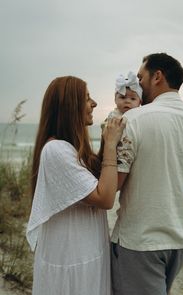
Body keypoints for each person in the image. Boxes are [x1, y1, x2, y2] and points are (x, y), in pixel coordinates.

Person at [111, 53, 183, 295]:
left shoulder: (134, 119)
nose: (138, 84)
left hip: (141, 241)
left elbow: (114, 183)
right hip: (181, 239)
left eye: (141, 77)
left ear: (157, 76)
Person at [26, 76, 125, 295]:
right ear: (70, 106)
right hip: (71, 259)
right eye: (87, 98)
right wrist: (109, 145)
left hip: (86, 253)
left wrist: (105, 143)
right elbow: (105, 197)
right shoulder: (56, 151)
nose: (94, 104)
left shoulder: (71, 149)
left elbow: (103, 181)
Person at [98, 71, 142, 161]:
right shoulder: (113, 116)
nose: (127, 101)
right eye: (122, 97)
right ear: (115, 99)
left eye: (133, 98)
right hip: (113, 154)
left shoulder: (139, 117)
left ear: (139, 102)